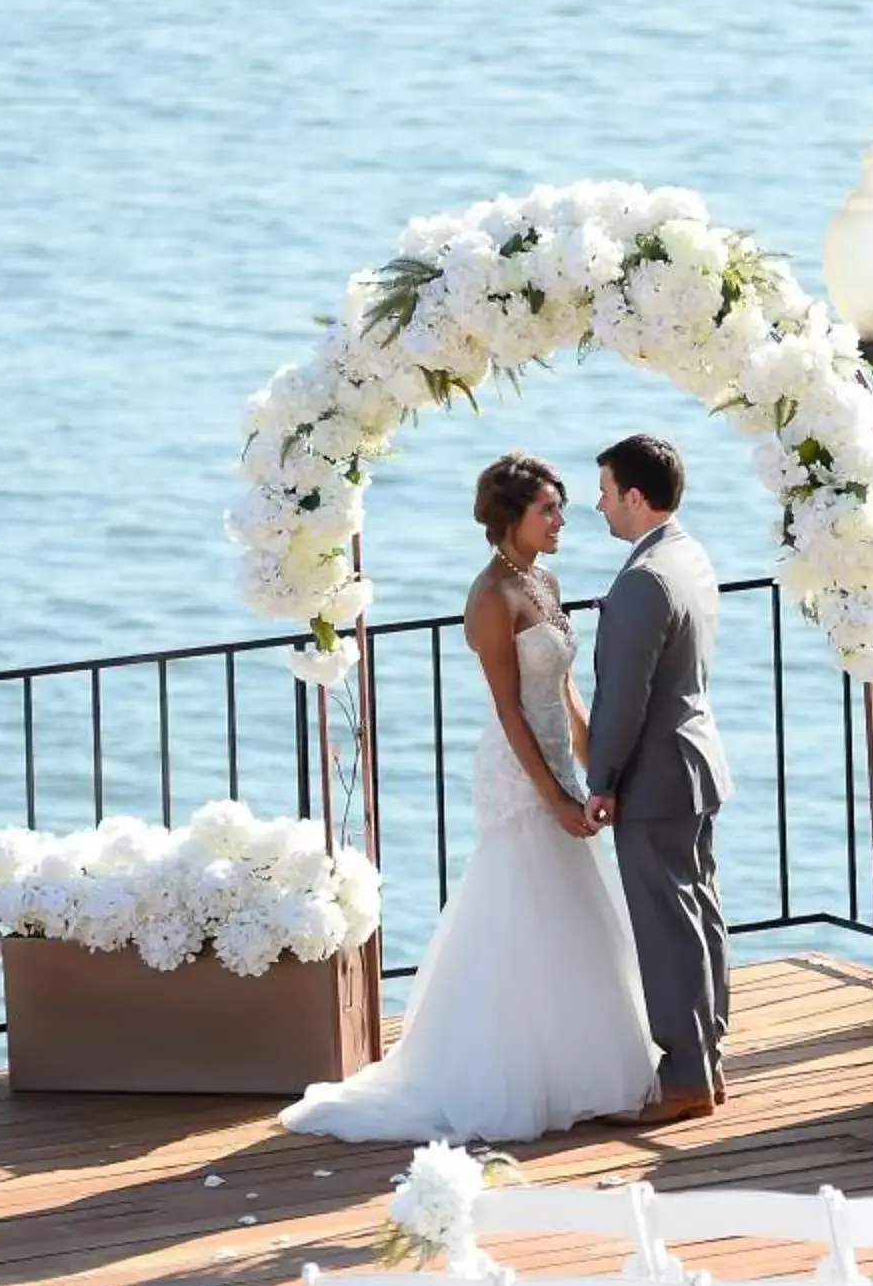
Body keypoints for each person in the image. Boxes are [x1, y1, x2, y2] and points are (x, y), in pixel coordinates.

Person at [277, 453, 661, 1143]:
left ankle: (580, 1069)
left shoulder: (543, 579)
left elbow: (567, 692)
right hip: (517, 775)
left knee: (574, 914)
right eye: (548, 510)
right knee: (519, 912)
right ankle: (509, 1074)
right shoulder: (491, 597)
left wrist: (597, 771)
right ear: (511, 518)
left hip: (558, 767)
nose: (561, 520)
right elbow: (512, 712)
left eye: (563, 508)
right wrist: (553, 799)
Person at [584, 433, 734, 1125]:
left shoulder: (643, 580)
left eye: (608, 492)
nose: (600, 505)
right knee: (698, 914)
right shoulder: (689, 554)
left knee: (669, 927)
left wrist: (602, 778)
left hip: (655, 775)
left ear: (636, 498)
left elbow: (624, 699)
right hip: (696, 763)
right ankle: (707, 1061)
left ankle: (684, 1079)